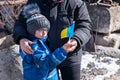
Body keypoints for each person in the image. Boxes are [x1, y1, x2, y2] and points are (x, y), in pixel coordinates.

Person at [13, 0, 92, 80]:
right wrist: (21, 38)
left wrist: (76, 39)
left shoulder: (76, 3)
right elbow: (21, 23)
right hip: (46, 55)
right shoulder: (35, 2)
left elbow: (85, 26)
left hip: (70, 55)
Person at [19, 3, 74, 80]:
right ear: (32, 30)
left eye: (46, 29)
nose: (44, 33)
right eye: (41, 30)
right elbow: (46, 64)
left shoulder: (42, 41)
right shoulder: (34, 46)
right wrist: (63, 51)